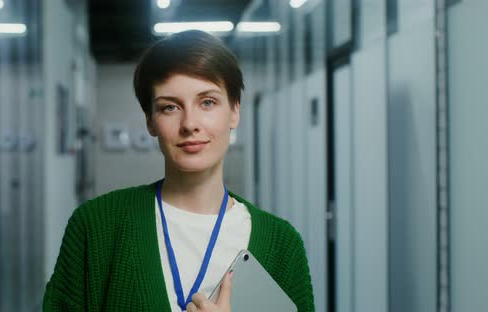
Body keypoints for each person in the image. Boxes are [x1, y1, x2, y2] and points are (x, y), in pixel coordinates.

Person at [43, 30, 315, 312]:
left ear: (234, 110)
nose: (190, 124)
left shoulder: (283, 244)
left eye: (207, 102)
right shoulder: (96, 226)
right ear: (150, 121)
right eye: (170, 107)